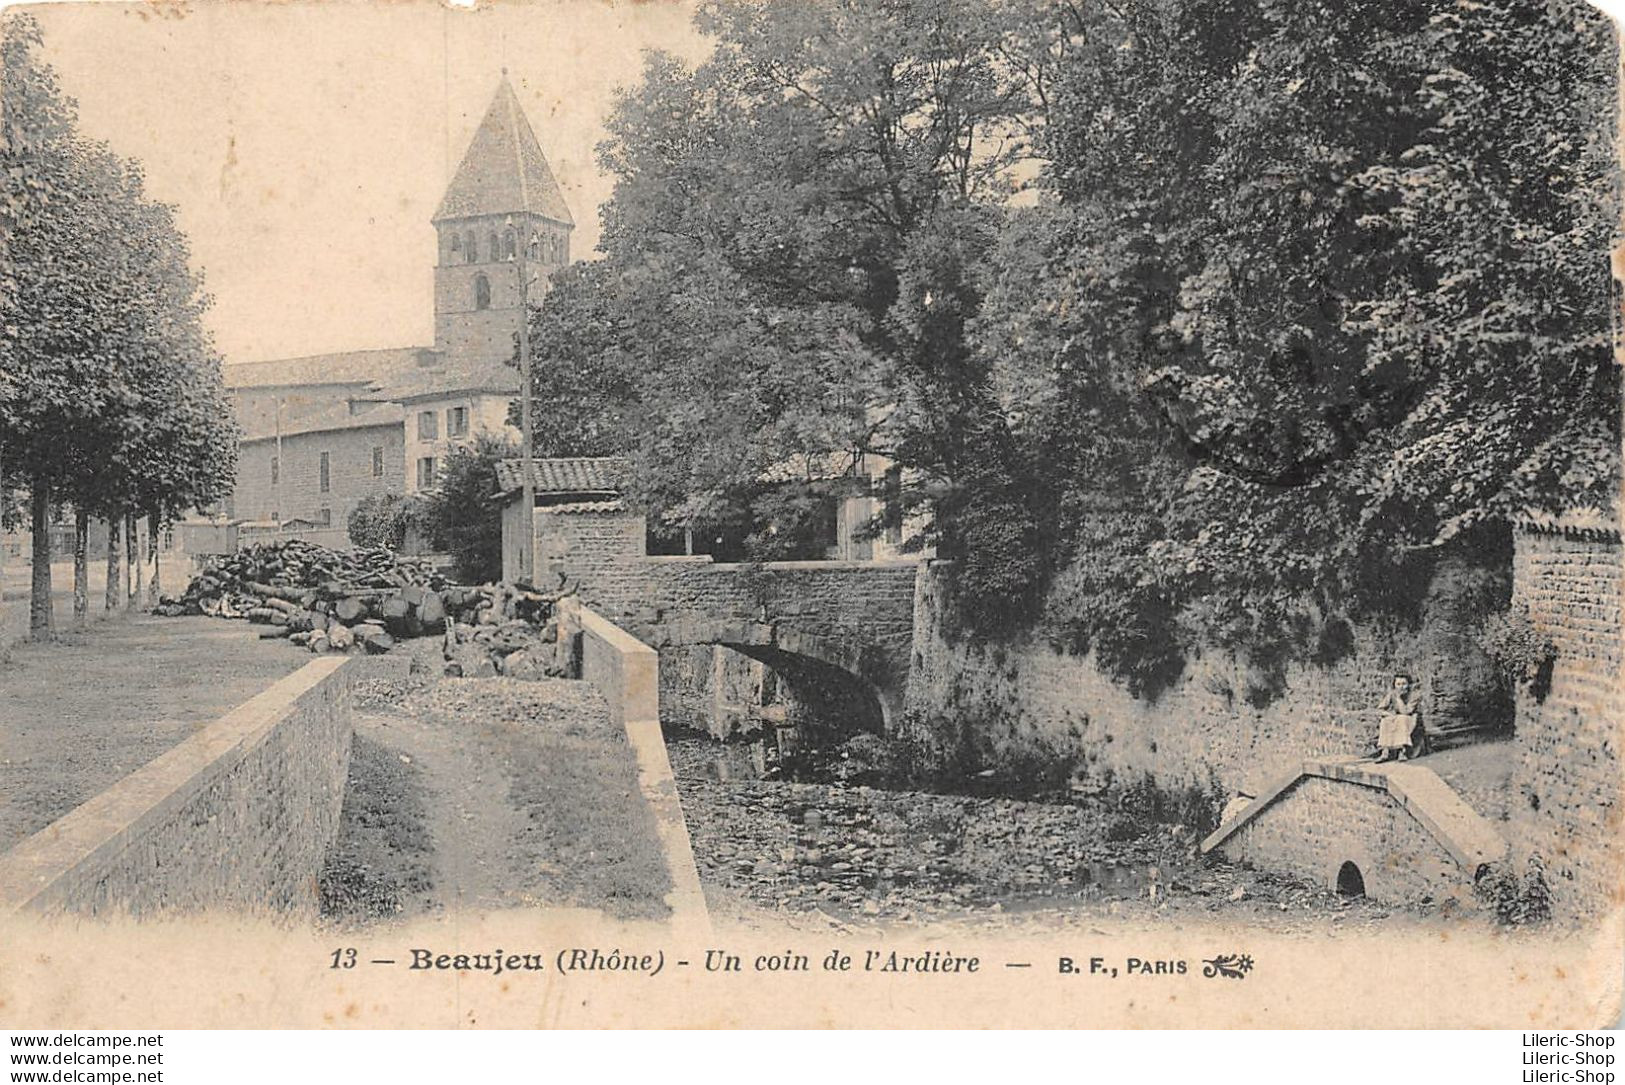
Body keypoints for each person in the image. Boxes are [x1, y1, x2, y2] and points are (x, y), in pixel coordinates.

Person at [1373, 673, 1424, 763]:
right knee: (1385, 721)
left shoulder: (1414, 695)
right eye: (1398, 684)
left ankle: (1402, 751)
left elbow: (1406, 711)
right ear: (1395, 685)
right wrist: (1387, 714)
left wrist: (1398, 699)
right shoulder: (1392, 694)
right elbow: (1380, 709)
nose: (1401, 687)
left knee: (1402, 719)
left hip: (1412, 718)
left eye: (1404, 684)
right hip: (1398, 717)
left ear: (1409, 685)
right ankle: (1385, 752)